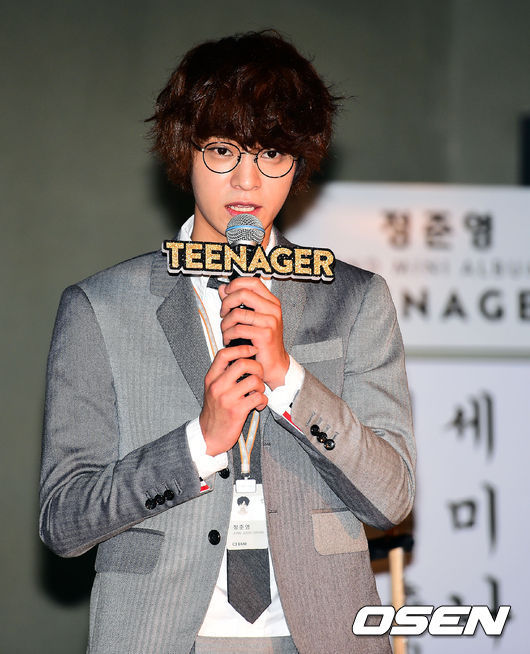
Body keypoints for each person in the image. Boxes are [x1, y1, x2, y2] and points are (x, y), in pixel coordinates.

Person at [39, 31, 415, 654]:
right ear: (184, 152)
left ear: (298, 164)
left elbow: (391, 497)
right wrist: (198, 443)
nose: (247, 179)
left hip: (320, 634)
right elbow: (65, 519)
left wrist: (290, 380)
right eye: (222, 151)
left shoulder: (353, 300)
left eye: (272, 154)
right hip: (161, 635)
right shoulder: (101, 307)